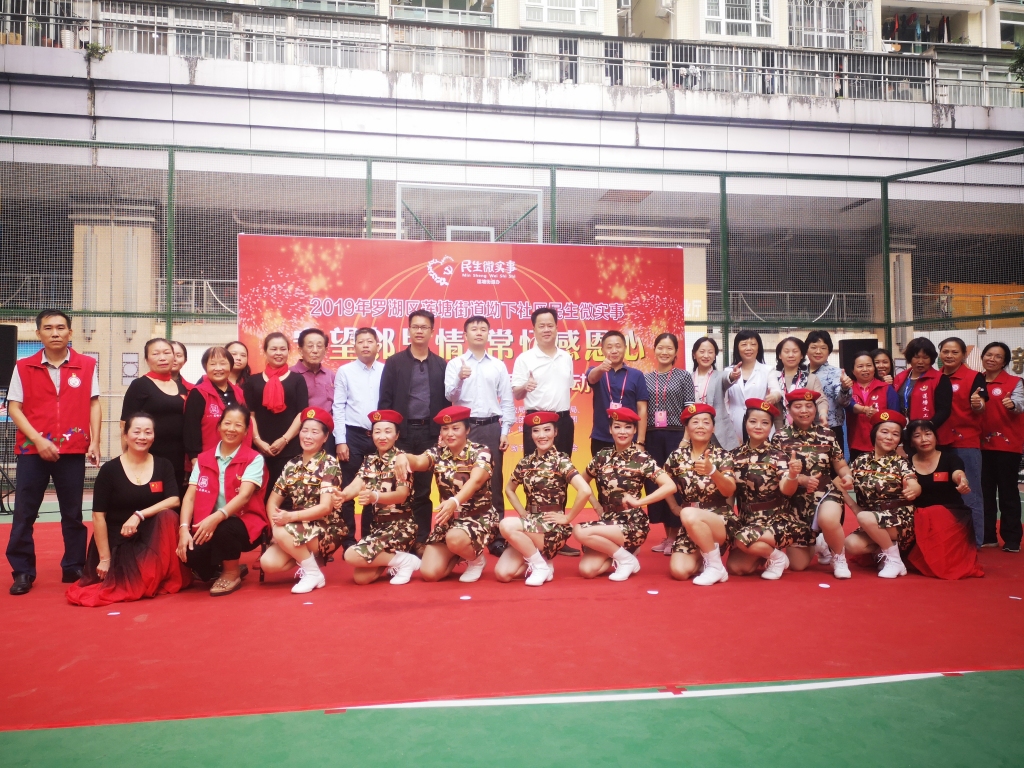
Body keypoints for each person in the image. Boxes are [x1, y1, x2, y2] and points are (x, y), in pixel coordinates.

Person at [6, 310, 101, 595]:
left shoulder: (87, 365)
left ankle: (73, 566)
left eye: (61, 327)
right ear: (39, 334)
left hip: (73, 449)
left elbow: (94, 403)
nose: (55, 333)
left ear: (70, 332)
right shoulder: (23, 366)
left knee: (72, 513)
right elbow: (14, 407)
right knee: (24, 513)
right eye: (48, 328)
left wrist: (95, 441)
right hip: (32, 451)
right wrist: (38, 440)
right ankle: (22, 571)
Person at [66, 413, 190, 606]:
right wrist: (104, 558)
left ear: (154, 436)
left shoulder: (163, 465)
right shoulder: (110, 470)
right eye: (137, 432)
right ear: (125, 435)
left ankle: (162, 574)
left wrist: (139, 515)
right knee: (129, 586)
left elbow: (174, 500)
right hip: (119, 540)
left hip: (151, 537)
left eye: (148, 432)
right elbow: (98, 516)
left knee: (168, 516)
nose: (142, 437)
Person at [394, 406, 497, 583]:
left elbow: (475, 481)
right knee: (430, 574)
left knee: (454, 538)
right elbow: (418, 461)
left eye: (455, 428)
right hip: (449, 521)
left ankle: (476, 561)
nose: (450, 433)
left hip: (478, 517)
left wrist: (455, 502)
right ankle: (460, 552)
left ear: (467, 430)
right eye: (445, 429)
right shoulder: (438, 453)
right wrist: (403, 457)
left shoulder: (481, 452)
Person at [574, 408, 676, 581]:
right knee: (587, 570)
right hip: (607, 521)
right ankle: (626, 554)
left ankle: (626, 559)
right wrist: (596, 506)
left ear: (635, 430)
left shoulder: (642, 459)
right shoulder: (602, 456)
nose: (622, 432)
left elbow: (670, 486)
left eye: (628, 427)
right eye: (617, 427)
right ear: (610, 429)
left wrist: (640, 502)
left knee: (579, 530)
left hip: (631, 523)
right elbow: (582, 483)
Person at [178, 404, 268, 596]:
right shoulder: (203, 459)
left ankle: (231, 573)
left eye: (238, 425)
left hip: (243, 523)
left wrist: (217, 517)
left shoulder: (254, 458)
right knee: (190, 554)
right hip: (209, 524)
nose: (231, 429)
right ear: (218, 426)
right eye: (227, 423)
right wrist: (184, 529)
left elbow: (244, 496)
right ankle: (223, 566)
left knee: (225, 528)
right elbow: (190, 497)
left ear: (246, 431)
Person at [379, 310, 450, 550]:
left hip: (430, 435)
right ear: (408, 330)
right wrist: (388, 434)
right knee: (397, 487)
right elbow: (385, 401)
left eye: (424, 327)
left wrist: (442, 433)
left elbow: (446, 403)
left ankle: (420, 540)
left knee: (422, 490)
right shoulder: (394, 362)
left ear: (432, 331)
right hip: (402, 434)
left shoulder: (440, 365)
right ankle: (396, 540)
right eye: (415, 327)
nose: (419, 331)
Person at [445, 315, 515, 557]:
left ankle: (496, 537)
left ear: (488, 334)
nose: (478, 332)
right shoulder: (456, 364)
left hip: (491, 427)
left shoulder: (498, 365)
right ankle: (462, 534)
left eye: (483, 329)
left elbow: (507, 400)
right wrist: (459, 378)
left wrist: (505, 431)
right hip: (464, 429)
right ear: (465, 335)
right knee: (461, 479)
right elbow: (449, 396)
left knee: (494, 481)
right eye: (473, 329)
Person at [511, 306, 579, 555]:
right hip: (536, 421)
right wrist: (525, 387)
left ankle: (558, 534)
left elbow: (566, 387)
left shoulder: (566, 357)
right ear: (534, 329)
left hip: (562, 421)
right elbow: (516, 393)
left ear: (557, 327)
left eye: (550, 325)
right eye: (541, 325)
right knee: (534, 477)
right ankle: (533, 530)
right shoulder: (525, 358)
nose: (546, 329)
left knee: (561, 477)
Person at [497, 411, 594, 586]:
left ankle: (539, 566)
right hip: (530, 524)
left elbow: (585, 490)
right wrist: (523, 513)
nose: (542, 435)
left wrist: (567, 518)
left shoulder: (561, 461)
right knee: (502, 574)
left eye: (547, 430)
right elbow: (509, 489)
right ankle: (541, 561)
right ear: (531, 434)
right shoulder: (525, 463)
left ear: (555, 432)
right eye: (536, 431)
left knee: (506, 525)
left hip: (551, 528)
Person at [259, 407, 344, 594]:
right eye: (304, 430)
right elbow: (272, 501)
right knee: (268, 563)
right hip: (297, 527)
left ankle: (312, 573)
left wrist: (288, 520)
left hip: (326, 528)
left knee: (282, 530)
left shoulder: (329, 464)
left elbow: (325, 507)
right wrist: (275, 527)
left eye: (315, 432)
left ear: (325, 437)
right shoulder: (292, 465)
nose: (308, 436)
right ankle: (308, 562)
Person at [772, 389, 856, 578]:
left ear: (815, 409)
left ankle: (838, 557)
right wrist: (801, 479)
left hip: (825, 492)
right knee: (798, 565)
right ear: (789, 410)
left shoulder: (828, 435)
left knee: (828, 519)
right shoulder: (780, 437)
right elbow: (780, 472)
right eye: (798, 406)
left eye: (809, 406)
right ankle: (821, 543)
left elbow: (840, 464)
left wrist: (847, 476)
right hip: (796, 499)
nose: (804, 410)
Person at [339, 410, 421, 585]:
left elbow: (402, 495)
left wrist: (374, 496)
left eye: (388, 431)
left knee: (350, 555)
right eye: (377, 432)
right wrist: (342, 496)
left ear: (397, 435)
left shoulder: (401, 459)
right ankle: (398, 560)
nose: (382, 436)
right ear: (371, 435)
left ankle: (406, 561)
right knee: (361, 578)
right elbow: (356, 485)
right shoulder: (369, 460)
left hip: (400, 527)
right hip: (379, 528)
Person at [725, 399, 802, 580]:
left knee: (742, 539)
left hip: (777, 521)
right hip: (747, 522)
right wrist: (728, 521)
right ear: (745, 423)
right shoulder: (733, 456)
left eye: (765, 423)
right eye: (753, 421)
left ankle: (778, 558)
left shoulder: (778, 455)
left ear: (771, 427)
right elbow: (730, 494)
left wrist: (792, 475)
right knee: (736, 568)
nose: (758, 426)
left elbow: (787, 490)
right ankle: (765, 553)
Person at [663, 404, 737, 585]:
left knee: (688, 512)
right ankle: (706, 559)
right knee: (679, 571)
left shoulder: (722, 456)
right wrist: (673, 506)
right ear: (687, 428)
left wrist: (713, 471)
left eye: (706, 422)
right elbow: (664, 481)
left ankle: (715, 567)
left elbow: (729, 490)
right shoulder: (677, 456)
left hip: (719, 520)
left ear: (713, 428)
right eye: (695, 422)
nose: (701, 426)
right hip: (690, 524)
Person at [843, 411, 922, 578]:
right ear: (875, 434)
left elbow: (912, 481)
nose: (889, 437)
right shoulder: (861, 460)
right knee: (851, 544)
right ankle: (886, 550)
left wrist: (914, 488)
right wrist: (854, 507)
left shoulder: (901, 462)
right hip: (872, 519)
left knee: (864, 517)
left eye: (895, 434)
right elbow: (838, 483)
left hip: (900, 520)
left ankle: (894, 560)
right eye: (884, 432)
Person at [904, 420, 984, 579]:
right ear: (911, 442)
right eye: (917, 436)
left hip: (950, 516)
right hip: (919, 518)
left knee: (936, 513)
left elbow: (958, 474)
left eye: (928, 434)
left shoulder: (951, 459)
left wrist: (962, 481)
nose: (924, 439)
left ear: (936, 437)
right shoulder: (906, 463)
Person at [643, 333, 695, 554]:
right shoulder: (645, 378)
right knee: (657, 482)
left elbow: (690, 411)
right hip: (652, 435)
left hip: (676, 435)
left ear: (676, 352)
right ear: (654, 350)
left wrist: (686, 439)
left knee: (676, 482)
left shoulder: (684, 376)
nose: (664, 352)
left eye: (669, 348)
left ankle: (676, 536)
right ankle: (667, 536)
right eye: (660, 348)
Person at [333, 327, 385, 550]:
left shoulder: (386, 370)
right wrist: (340, 440)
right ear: (354, 346)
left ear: (377, 345)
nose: (365, 345)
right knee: (347, 487)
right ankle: (347, 538)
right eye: (361, 341)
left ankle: (368, 536)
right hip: (352, 435)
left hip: (379, 436)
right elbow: (338, 406)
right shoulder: (344, 371)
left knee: (374, 487)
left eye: (370, 341)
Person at [935, 337, 987, 546]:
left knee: (969, 492)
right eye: (945, 351)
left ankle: (975, 542)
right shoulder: (935, 377)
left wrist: (977, 404)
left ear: (964, 355)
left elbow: (981, 406)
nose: (949, 356)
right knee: (943, 494)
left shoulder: (974, 377)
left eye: (955, 352)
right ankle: (950, 540)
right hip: (938, 444)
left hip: (965, 444)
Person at [244, 332, 309, 499]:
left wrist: (284, 440)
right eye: (273, 349)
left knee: (287, 495)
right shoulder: (252, 381)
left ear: (289, 351)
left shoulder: (297, 380)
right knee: (259, 494)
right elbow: (249, 414)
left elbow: (301, 413)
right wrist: (258, 441)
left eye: (283, 349)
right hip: (259, 447)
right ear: (265, 351)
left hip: (290, 446)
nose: (278, 353)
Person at [121, 338, 189, 492]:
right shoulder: (139, 385)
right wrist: (127, 458)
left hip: (177, 457)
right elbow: (125, 424)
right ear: (147, 359)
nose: (162, 358)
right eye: (156, 354)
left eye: (167, 353)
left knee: (174, 498)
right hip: (149, 455)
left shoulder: (181, 387)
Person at [977, 341, 1024, 552]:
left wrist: (1013, 405)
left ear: (1004, 361)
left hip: (1007, 447)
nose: (992, 359)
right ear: (982, 357)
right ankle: (988, 536)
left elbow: (1021, 405)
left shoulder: (1015, 382)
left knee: (1008, 493)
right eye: (989, 354)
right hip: (979, 446)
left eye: (998, 356)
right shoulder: (976, 381)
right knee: (984, 493)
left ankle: (1012, 539)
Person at [586, 330, 650, 457]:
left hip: (629, 438)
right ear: (602, 350)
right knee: (600, 470)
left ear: (625, 348)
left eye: (618, 346)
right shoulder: (597, 372)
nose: (614, 350)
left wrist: (640, 441)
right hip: (601, 437)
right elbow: (591, 378)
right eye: (609, 347)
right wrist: (601, 368)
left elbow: (642, 409)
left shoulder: (636, 375)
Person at [183, 346, 248, 459]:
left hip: (237, 457)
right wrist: (194, 457)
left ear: (230, 366)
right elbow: (191, 429)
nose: (218, 368)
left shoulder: (239, 392)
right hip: (206, 458)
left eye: (223, 363)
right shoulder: (198, 393)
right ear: (205, 367)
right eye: (213, 364)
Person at [723, 330, 782, 447]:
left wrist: (774, 396)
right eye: (744, 344)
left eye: (753, 344)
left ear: (758, 348)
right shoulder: (728, 371)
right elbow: (724, 401)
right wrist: (729, 429)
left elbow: (777, 391)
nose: (749, 348)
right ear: (737, 348)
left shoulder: (767, 370)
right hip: (735, 422)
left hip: (759, 421)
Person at [846, 351, 898, 463]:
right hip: (856, 443)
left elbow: (895, 416)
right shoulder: (848, 389)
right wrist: (864, 410)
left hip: (883, 443)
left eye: (869, 365)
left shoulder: (886, 388)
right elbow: (848, 405)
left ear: (874, 369)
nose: (865, 369)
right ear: (853, 370)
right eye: (860, 366)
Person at [804, 330, 853, 448]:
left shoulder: (836, 373)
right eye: (813, 347)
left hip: (830, 429)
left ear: (829, 351)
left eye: (823, 348)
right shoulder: (799, 372)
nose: (818, 351)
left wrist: (845, 388)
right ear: (806, 350)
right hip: (803, 429)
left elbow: (843, 402)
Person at [292, 328, 336, 454]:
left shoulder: (331, 375)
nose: (315, 350)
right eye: (310, 346)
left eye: (319, 346)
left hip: (326, 437)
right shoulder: (291, 374)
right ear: (300, 350)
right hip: (299, 436)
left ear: (325, 350)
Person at [893, 337, 952, 428]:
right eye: (916, 357)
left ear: (931, 359)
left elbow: (944, 410)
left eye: (925, 357)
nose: (920, 361)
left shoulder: (940, 379)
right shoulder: (900, 377)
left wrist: (929, 426)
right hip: (902, 428)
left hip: (928, 431)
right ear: (910, 358)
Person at [691, 336, 736, 450]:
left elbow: (728, 379)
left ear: (715, 355)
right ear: (694, 354)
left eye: (710, 352)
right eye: (702, 351)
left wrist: (733, 376)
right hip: (695, 429)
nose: (706, 355)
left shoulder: (720, 376)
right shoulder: (688, 378)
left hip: (718, 432)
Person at [773, 336, 827, 429]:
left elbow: (821, 400)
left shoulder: (811, 378)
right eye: (786, 351)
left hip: (807, 428)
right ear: (780, 355)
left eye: (795, 351)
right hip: (779, 429)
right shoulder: (773, 378)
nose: (791, 355)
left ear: (802, 355)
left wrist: (823, 414)